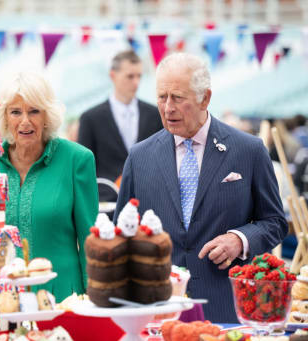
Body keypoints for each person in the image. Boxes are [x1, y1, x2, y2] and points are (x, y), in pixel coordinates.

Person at [114, 53, 287, 323]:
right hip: (159, 312)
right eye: (162, 97)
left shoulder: (249, 151)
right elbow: (122, 235)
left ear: (205, 98)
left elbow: (275, 222)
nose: (167, 107)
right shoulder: (139, 157)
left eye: (177, 98)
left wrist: (239, 240)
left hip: (227, 309)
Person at [0, 71, 99, 302]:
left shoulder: (77, 159)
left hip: (62, 296)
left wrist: (95, 298)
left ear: (46, 116)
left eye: (34, 111)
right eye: (15, 112)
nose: (25, 121)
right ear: (4, 118)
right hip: (1, 300)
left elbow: (89, 238)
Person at [77, 50, 162, 202]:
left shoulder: (155, 115)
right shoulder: (90, 118)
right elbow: (84, 169)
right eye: (130, 76)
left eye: (139, 76)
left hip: (148, 199)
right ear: (113, 76)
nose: (136, 82)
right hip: (106, 203)